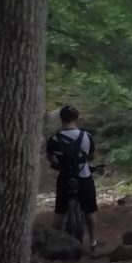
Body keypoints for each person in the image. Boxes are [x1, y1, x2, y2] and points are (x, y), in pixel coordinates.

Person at [45, 104, 97, 251]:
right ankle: (93, 242)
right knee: (90, 212)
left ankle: (53, 243)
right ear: (76, 118)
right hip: (84, 176)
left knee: (59, 212)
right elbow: (91, 156)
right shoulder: (87, 137)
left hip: (65, 177)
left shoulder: (54, 139)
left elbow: (50, 157)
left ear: (61, 119)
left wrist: (57, 164)